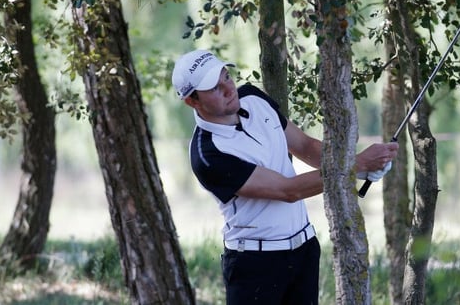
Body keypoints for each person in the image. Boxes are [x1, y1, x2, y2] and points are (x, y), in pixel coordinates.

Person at [171, 49, 398, 304]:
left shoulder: (252, 97)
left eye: (226, 76)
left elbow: (305, 147)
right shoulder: (207, 153)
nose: (228, 88)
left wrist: (361, 167)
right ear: (193, 101)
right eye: (214, 87)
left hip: (304, 250)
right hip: (255, 265)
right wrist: (355, 166)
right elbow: (288, 191)